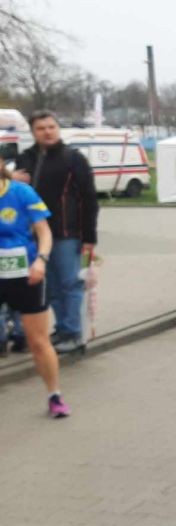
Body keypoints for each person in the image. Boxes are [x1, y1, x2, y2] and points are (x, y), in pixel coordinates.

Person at [11, 110, 99, 355]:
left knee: (70, 284)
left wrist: (89, 237)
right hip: (34, 235)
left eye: (51, 127)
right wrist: (13, 178)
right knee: (50, 288)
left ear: (58, 128)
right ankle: (62, 328)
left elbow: (89, 199)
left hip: (66, 233)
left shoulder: (73, 159)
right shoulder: (25, 158)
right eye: (41, 128)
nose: (47, 132)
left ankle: (74, 333)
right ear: (33, 132)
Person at [0, 160, 68, 417]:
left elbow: (44, 232)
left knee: (38, 341)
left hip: (26, 274)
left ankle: (55, 396)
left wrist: (41, 260)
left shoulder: (21, 192)